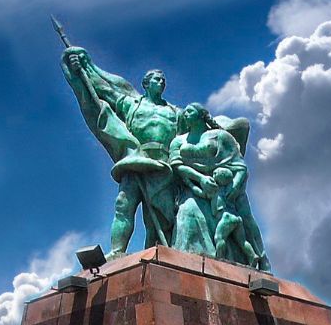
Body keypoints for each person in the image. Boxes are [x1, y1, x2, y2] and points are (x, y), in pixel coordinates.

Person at [60, 46, 179, 259]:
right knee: (124, 205)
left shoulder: (175, 112)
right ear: (145, 84)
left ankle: (162, 256)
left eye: (163, 80)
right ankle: (117, 251)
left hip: (164, 167)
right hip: (135, 159)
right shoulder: (131, 104)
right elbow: (104, 89)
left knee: (159, 221)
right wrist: (82, 68)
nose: (161, 82)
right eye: (156, 79)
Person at [169, 103, 271, 272]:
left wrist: (233, 190)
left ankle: (262, 258)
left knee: (246, 218)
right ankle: (197, 262)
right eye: (184, 112)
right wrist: (201, 180)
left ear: (202, 115)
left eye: (190, 111)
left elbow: (240, 166)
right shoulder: (177, 141)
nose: (185, 114)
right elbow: (177, 166)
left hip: (229, 186)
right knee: (186, 212)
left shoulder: (220, 136)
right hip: (194, 186)